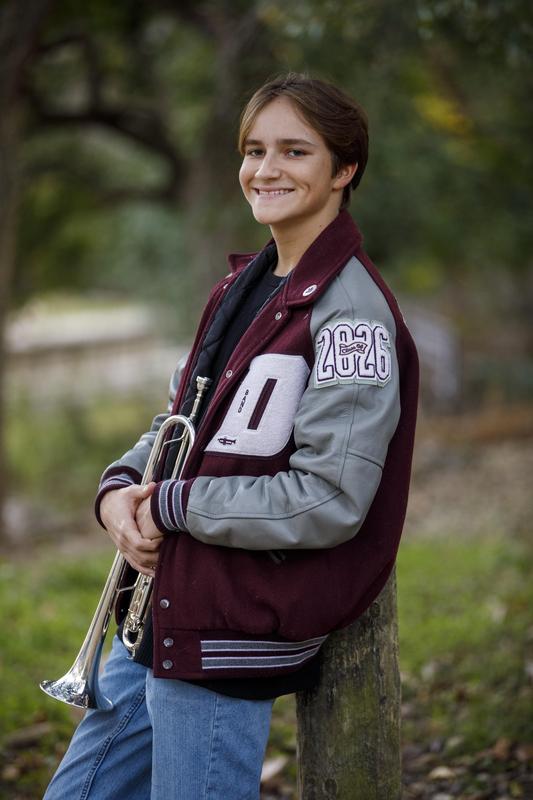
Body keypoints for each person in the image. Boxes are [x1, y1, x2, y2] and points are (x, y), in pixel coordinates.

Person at [43, 72, 418, 800]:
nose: (266, 169)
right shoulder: (241, 289)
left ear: (344, 170)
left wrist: (171, 505)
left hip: (227, 628)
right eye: (254, 150)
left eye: (295, 151)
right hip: (163, 614)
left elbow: (328, 497)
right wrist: (119, 491)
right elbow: (179, 423)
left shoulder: (351, 317)